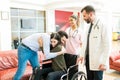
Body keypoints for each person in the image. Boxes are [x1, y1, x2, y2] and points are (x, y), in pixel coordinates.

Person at [78, 5, 112, 80]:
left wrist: (104, 62)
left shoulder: (103, 25)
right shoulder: (88, 26)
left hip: (98, 61)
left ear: (90, 14)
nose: (83, 18)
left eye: (84, 16)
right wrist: (81, 55)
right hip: (88, 60)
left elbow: (107, 45)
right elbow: (85, 43)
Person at [46, 15, 83, 80]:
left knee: (73, 71)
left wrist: (81, 55)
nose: (70, 22)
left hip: (75, 53)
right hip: (66, 52)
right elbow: (62, 39)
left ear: (76, 20)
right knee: (67, 69)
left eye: (72, 20)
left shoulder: (80, 31)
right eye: (69, 20)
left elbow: (82, 44)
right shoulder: (68, 29)